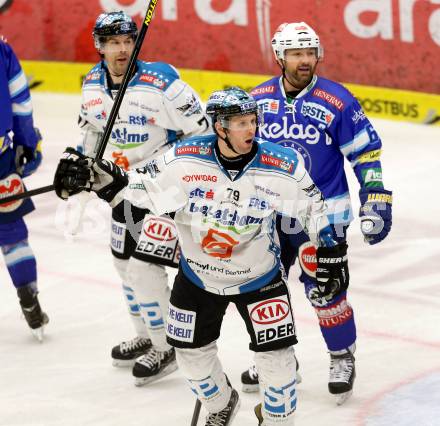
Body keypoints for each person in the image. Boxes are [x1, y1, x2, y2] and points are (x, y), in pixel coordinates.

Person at [53, 87, 350, 426]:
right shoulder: (183, 160)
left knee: (278, 364)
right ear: (220, 127)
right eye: (240, 123)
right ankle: (222, 403)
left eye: (253, 121)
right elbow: (139, 192)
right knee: (191, 357)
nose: (251, 129)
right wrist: (103, 180)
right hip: (197, 277)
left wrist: (333, 254)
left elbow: (316, 212)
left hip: (260, 278)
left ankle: (276, 421)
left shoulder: (281, 165)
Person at [240, 22, 393, 405]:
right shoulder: (256, 100)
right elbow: (241, 155)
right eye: (296, 53)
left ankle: (342, 356)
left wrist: (374, 195)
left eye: (310, 52)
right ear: (279, 56)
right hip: (269, 213)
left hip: (322, 216)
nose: (305, 60)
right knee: (261, 289)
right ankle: (275, 358)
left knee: (325, 290)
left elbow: (365, 152)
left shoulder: (337, 100)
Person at [78, 11, 210, 385]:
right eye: (113, 43)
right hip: (122, 191)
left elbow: (201, 136)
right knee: (123, 265)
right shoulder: (92, 85)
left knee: (143, 267)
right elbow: (90, 132)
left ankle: (165, 345)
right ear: (99, 47)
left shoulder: (163, 83)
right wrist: (82, 165)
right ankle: (147, 334)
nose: (122, 50)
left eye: (128, 41)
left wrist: (156, 169)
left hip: (166, 193)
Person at [0, 38, 47, 341]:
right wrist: (27, 143)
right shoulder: (2, 49)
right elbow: (20, 99)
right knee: (12, 232)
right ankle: (28, 295)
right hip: (1, 157)